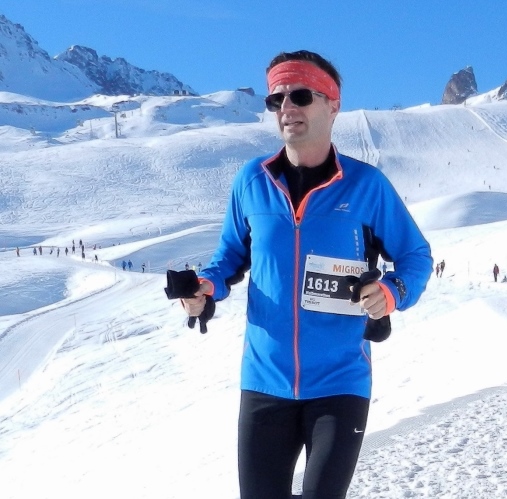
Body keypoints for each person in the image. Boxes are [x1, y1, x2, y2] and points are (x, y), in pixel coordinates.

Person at [179, 50, 432, 499]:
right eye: (276, 99)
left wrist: (392, 291)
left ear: (332, 105)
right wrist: (205, 288)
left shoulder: (366, 186)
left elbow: (415, 256)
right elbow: (229, 258)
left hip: (339, 381)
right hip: (265, 381)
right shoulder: (251, 181)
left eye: (299, 96)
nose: (286, 108)